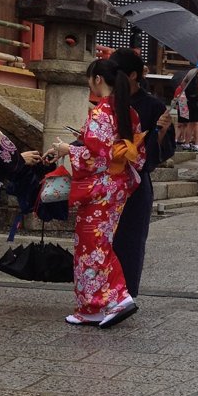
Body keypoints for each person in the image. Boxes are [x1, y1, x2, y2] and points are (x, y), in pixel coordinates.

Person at [50, 57, 146, 327]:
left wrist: (68, 150)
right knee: (98, 243)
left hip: (100, 187)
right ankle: (97, 305)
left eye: (89, 79)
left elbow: (97, 155)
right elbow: (137, 154)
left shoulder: (101, 113)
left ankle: (112, 298)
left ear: (98, 80)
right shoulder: (128, 112)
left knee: (90, 246)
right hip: (117, 185)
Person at [108, 48, 175, 296]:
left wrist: (162, 132)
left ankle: (125, 294)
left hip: (135, 183)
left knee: (131, 240)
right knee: (104, 239)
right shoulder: (110, 103)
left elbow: (161, 151)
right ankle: (102, 292)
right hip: (108, 182)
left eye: (118, 74)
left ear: (133, 75)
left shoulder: (153, 106)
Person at [183, 68, 198, 151]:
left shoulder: (191, 71)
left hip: (190, 100)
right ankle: (196, 145)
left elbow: (183, 83)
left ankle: (186, 143)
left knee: (190, 122)